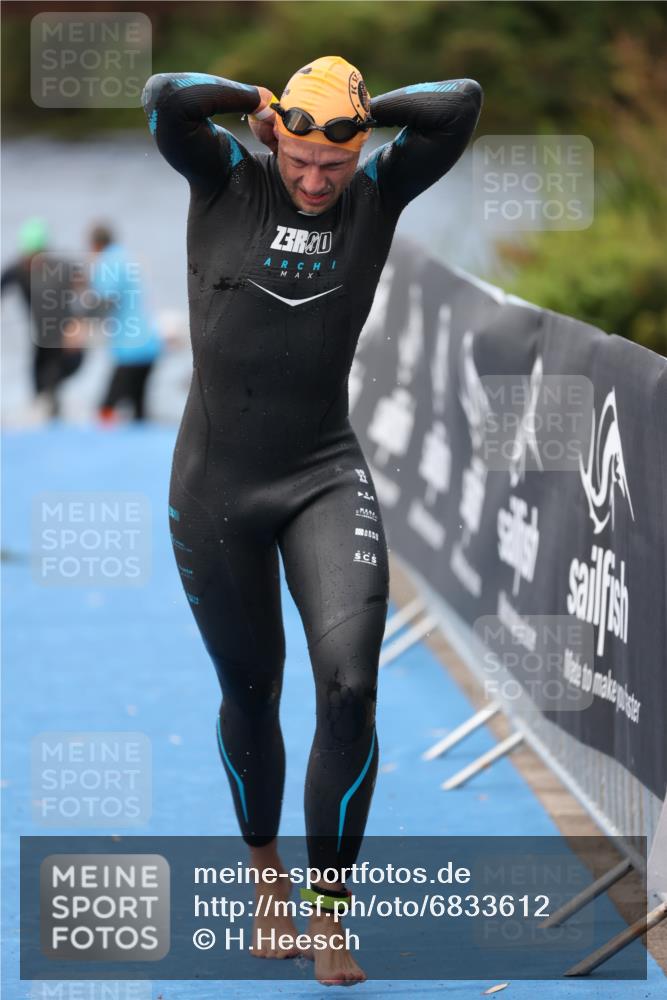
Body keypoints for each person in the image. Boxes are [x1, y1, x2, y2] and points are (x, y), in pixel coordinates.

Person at [142, 55, 482, 985]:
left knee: (349, 690)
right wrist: (255, 102)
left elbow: (459, 105)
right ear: (274, 138)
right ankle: (264, 880)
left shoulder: (379, 191)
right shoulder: (226, 178)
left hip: (322, 474)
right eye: (300, 157)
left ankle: (330, 912)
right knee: (251, 691)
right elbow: (168, 99)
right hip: (216, 487)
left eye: (334, 162)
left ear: (362, 145)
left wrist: (358, 113)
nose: (314, 179)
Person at [73, 224, 162, 422]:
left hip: (131, 351)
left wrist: (78, 325)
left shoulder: (107, 262)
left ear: (94, 244)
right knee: (138, 410)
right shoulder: (124, 257)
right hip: (150, 344)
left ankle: (100, 449)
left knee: (106, 408)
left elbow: (105, 301)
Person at [1, 218, 83, 418]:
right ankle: (47, 421)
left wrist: (79, 323)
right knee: (38, 386)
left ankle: (56, 416)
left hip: (64, 336)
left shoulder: (59, 267)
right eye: (30, 255)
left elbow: (88, 290)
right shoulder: (17, 270)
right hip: (40, 337)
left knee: (51, 383)